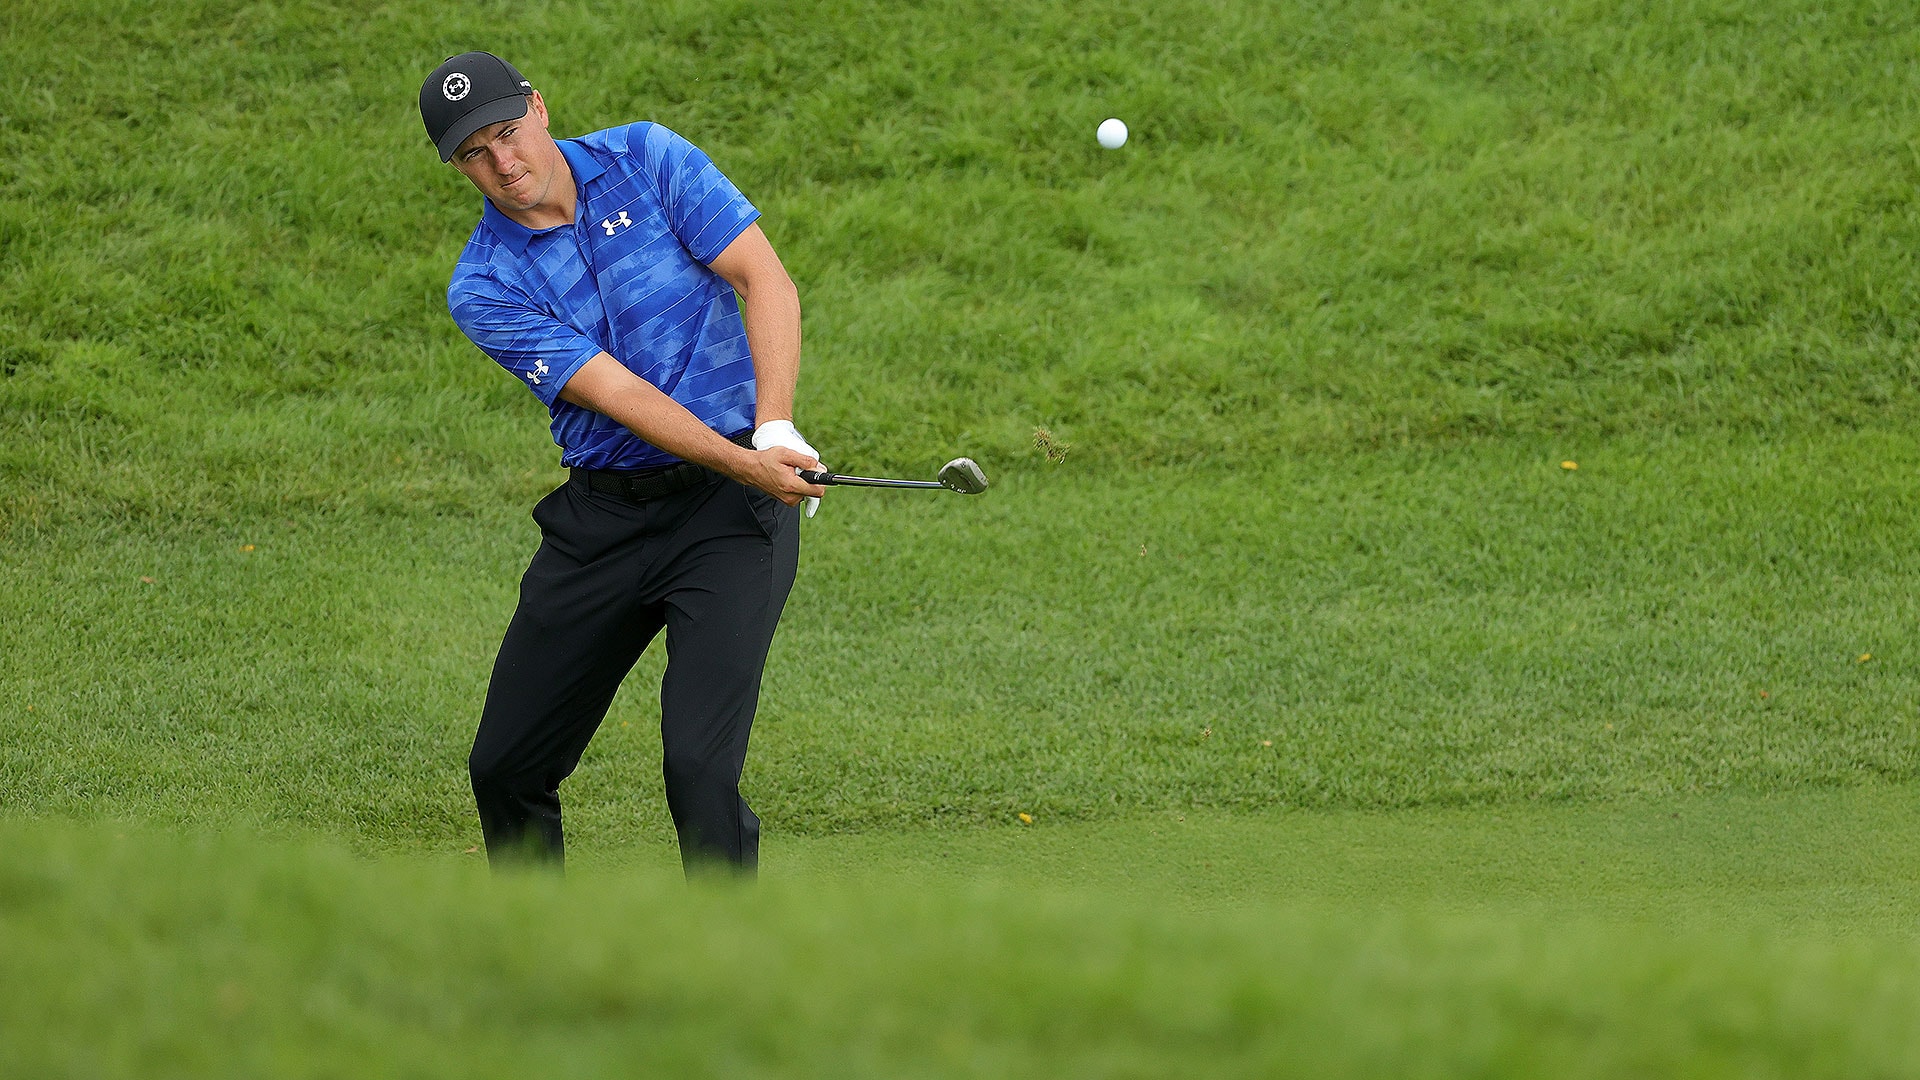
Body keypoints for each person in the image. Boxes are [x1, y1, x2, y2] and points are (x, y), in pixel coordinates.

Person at [417, 51, 827, 874]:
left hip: (726, 524)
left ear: (538, 106)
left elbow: (763, 276)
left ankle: (724, 972)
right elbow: (619, 394)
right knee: (506, 766)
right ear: (456, 165)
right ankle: (542, 963)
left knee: (700, 770)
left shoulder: (647, 157)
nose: (502, 162)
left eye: (507, 132)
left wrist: (773, 427)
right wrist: (746, 460)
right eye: (473, 153)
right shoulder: (484, 285)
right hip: (604, 523)